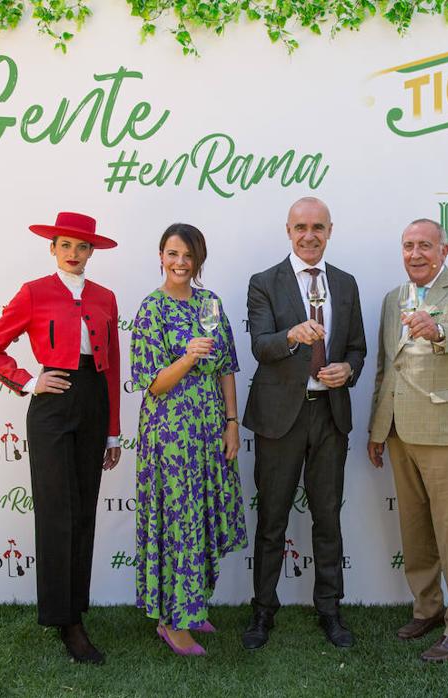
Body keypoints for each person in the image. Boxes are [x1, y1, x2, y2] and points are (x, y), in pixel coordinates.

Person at [0, 211, 121, 665]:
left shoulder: (105, 297)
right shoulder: (34, 292)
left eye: (82, 247)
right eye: (65, 246)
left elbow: (112, 364)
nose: (74, 254)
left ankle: (76, 609)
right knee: (58, 511)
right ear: (52, 248)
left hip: (94, 401)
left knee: (84, 511)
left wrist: (114, 431)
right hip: (52, 405)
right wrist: (26, 380)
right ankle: (66, 622)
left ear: (91, 252)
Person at [241, 197, 366, 650]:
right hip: (279, 419)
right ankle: (262, 611)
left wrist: (347, 370)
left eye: (317, 227)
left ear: (330, 230)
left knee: (327, 518)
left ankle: (330, 610)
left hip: (329, 415)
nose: (309, 235)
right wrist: (292, 335)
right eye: (300, 227)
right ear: (288, 231)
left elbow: (357, 348)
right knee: (272, 519)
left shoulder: (346, 283)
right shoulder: (264, 283)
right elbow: (260, 346)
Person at [366, 218, 448, 663]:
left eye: (424, 245)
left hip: (446, 432)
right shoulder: (391, 298)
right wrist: (377, 430)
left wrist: (436, 331)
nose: (415, 253)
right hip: (399, 432)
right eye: (407, 246)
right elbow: (386, 366)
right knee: (415, 533)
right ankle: (428, 608)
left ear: (444, 249)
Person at [130, 223, 248, 657]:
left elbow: (227, 367)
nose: (180, 263)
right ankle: (173, 623)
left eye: (188, 255)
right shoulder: (151, 309)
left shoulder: (210, 304)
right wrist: (188, 356)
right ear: (160, 255)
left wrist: (232, 422)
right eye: (172, 253)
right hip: (170, 435)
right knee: (179, 524)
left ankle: (192, 604)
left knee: (200, 518)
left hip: (209, 427)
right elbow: (154, 384)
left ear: (199, 260)